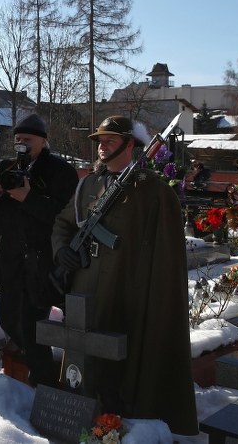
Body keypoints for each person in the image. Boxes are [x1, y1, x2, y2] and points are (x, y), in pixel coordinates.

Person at [51, 116, 198, 435]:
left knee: (118, 362)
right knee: (85, 358)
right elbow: (64, 223)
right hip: (86, 288)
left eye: (111, 140)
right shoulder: (88, 184)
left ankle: (118, 420)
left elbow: (165, 255)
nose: (102, 147)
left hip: (126, 291)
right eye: (100, 141)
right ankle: (82, 411)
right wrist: (61, 249)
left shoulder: (152, 191)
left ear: (130, 145)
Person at [0, 113, 78, 387]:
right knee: (7, 319)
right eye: (17, 139)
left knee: (32, 326)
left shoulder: (61, 171)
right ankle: (30, 373)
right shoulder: (6, 167)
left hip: (40, 261)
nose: (21, 144)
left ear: (43, 141)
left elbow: (65, 217)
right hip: (10, 258)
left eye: (27, 139)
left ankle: (43, 385)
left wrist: (29, 198)